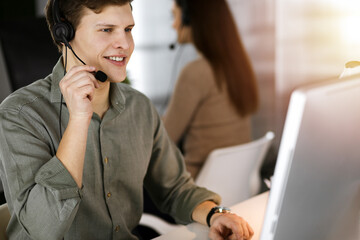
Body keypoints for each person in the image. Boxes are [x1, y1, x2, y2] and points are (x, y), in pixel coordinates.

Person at [0, 0, 254, 239]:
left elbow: (175, 189)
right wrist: (78, 120)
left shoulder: (139, 108)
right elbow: (42, 229)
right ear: (64, 34)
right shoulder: (20, 115)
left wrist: (214, 215)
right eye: (107, 30)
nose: (125, 43)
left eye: (128, 29)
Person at [163, 0, 259, 179]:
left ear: (189, 19)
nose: (174, 25)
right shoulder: (239, 66)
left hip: (195, 188)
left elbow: (164, 140)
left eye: (174, 16)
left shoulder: (195, 72)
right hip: (236, 184)